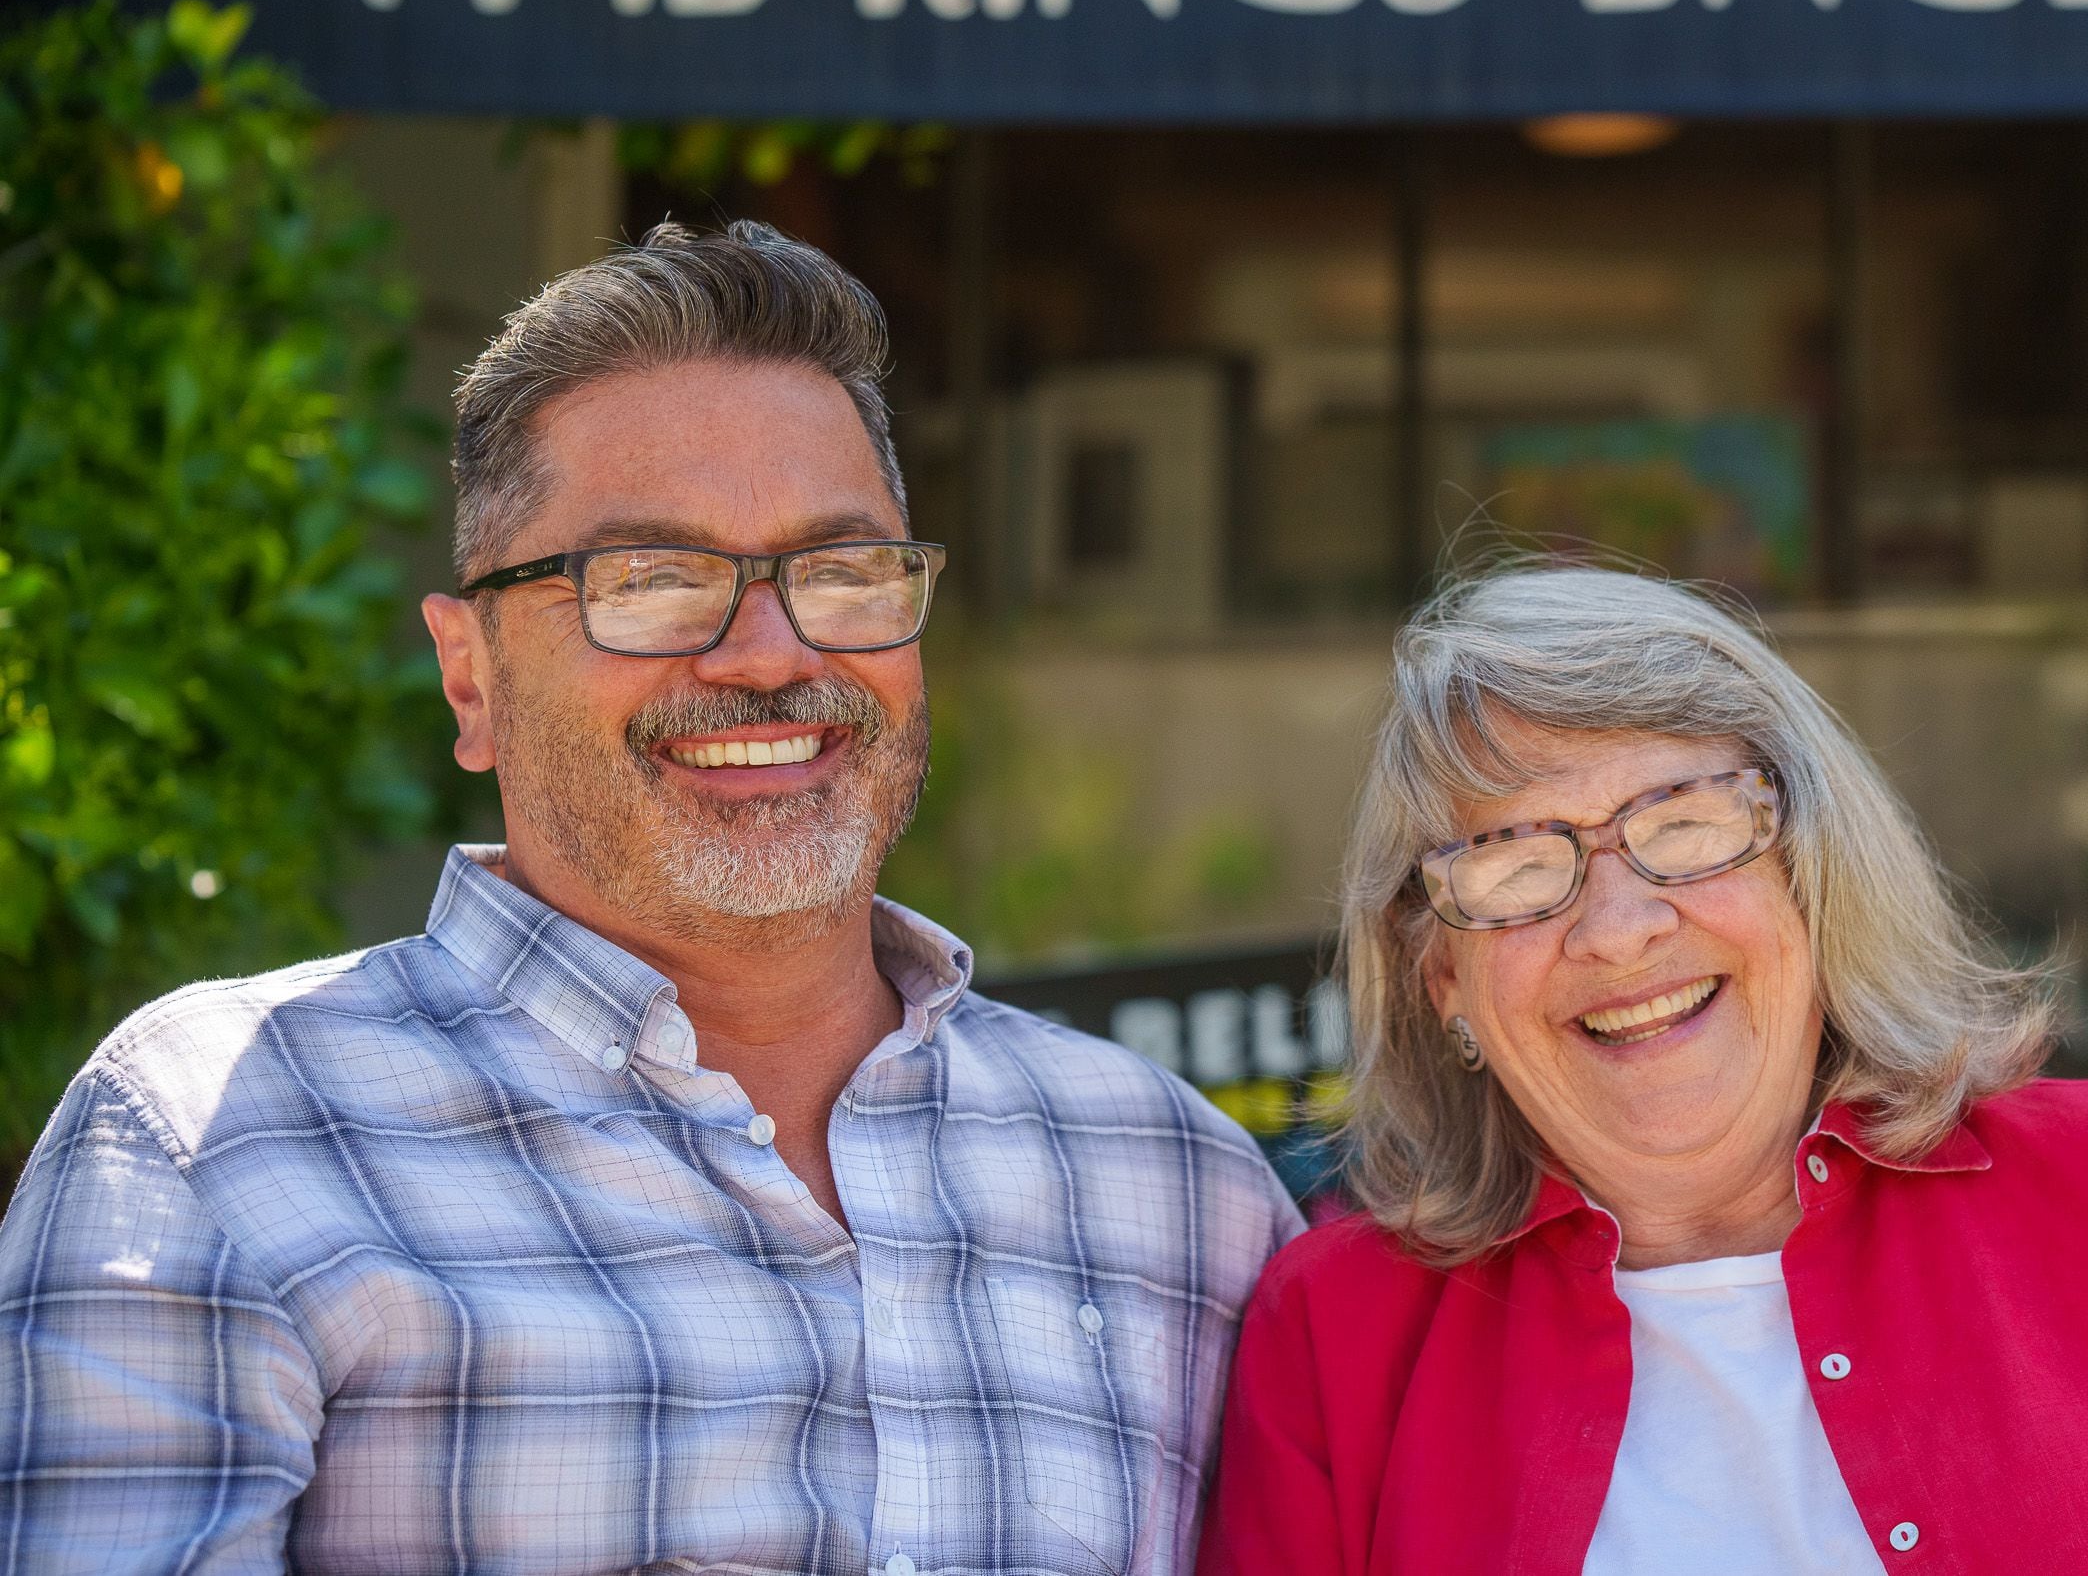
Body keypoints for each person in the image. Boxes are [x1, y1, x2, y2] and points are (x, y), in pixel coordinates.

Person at [0, 222, 1300, 1574]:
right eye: (653, 580)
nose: (768, 652)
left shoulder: (1177, 1188)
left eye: (843, 569)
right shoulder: (225, 1135)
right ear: (471, 676)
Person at [1202, 565, 2088, 1575]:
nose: (1619, 927)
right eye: (1517, 865)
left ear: (1812, 875)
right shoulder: (1334, 1336)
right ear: (1444, 985)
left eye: (1684, 823)